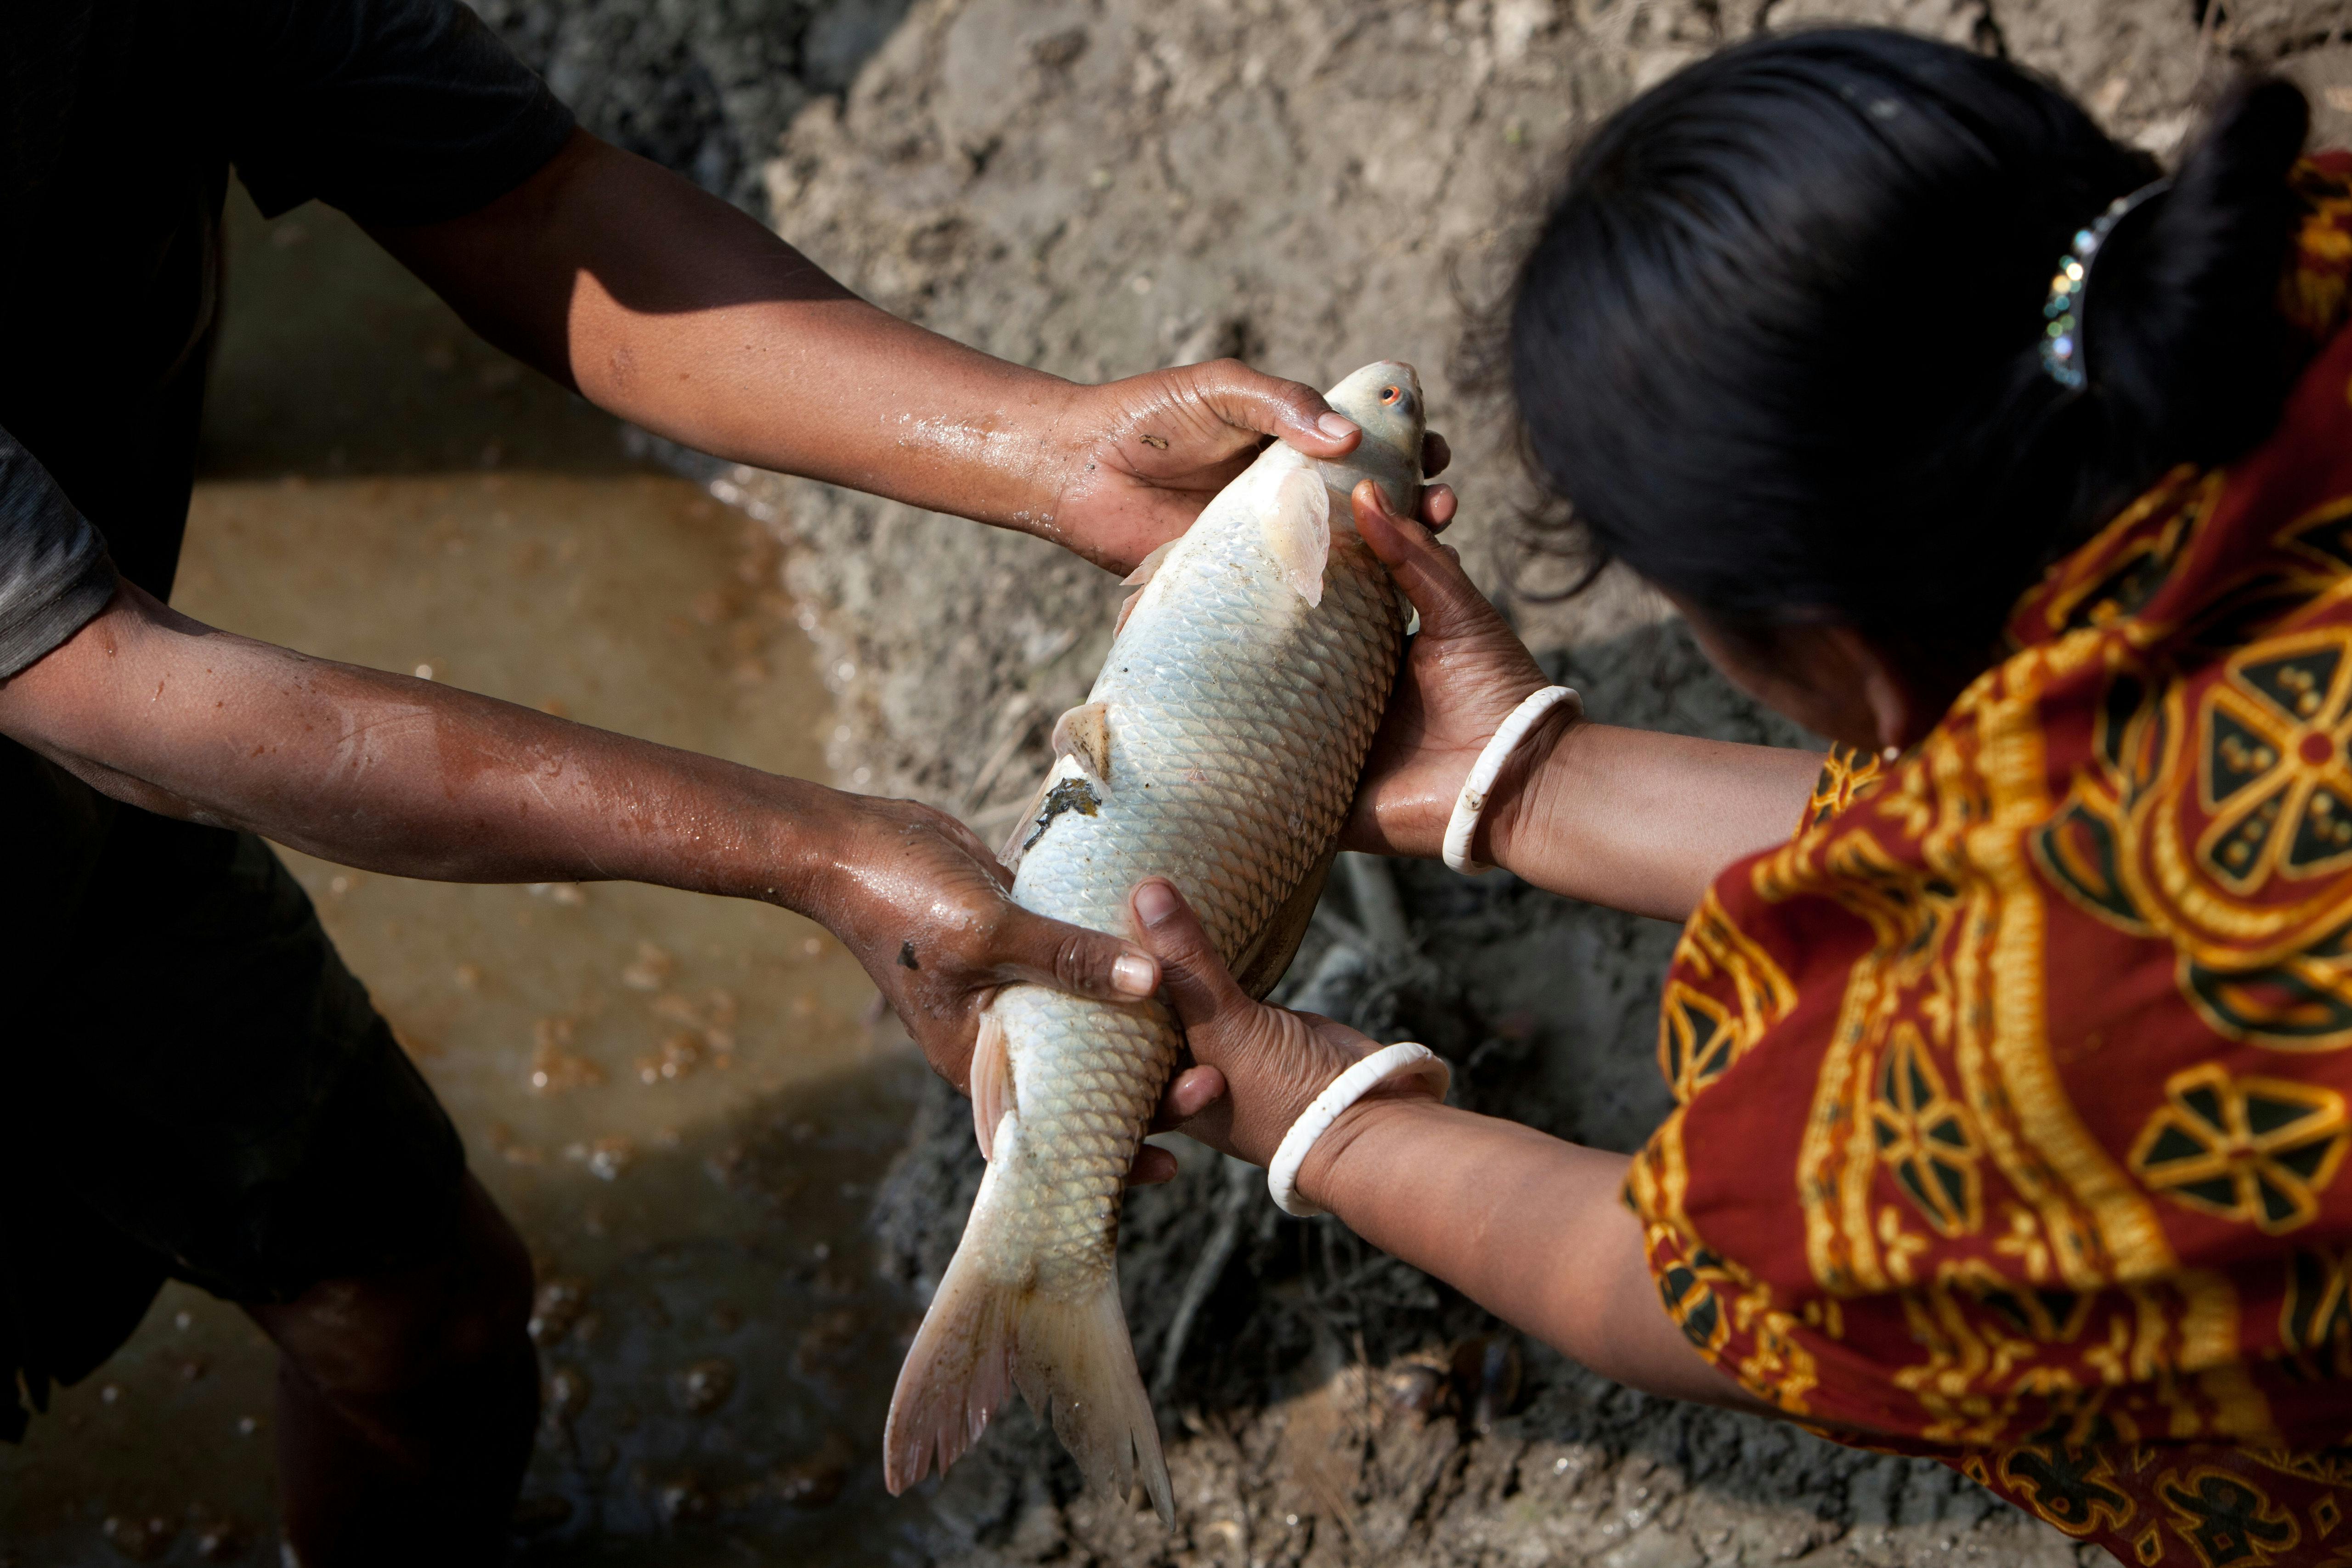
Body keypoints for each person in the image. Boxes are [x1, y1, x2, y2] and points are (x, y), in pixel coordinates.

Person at [0, 2, 1454, 1561]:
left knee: (428, 1323)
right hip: (91, 734)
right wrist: (820, 854)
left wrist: (1052, 452)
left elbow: (536, 210)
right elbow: (103, 685)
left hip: (94, 848)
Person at [1128, 30, 2352, 1567]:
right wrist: (1532, 781)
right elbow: (2061, 810)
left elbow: (1670, 1276)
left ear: (1843, 662)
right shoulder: (2307, 256)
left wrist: (1322, 1119)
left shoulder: (2014, 1097)